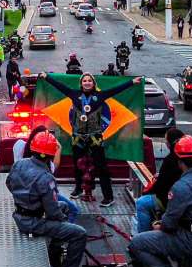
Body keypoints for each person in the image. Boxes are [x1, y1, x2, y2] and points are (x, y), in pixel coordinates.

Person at [38, 72, 143, 207]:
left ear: (94, 83)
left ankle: (108, 196)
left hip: (95, 137)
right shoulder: (74, 94)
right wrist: (46, 77)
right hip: (78, 137)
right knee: (77, 164)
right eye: (84, 81)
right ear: (81, 83)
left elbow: (116, 90)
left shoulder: (100, 96)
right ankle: (78, 189)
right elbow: (60, 86)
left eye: (89, 81)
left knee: (102, 167)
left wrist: (132, 82)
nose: (87, 83)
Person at [128, 136, 192, 267]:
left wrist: (159, 225)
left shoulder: (180, 187)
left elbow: (169, 224)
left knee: (137, 243)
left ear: (179, 161)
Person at [6, 132, 87, 267]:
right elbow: (53, 213)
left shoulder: (19, 164)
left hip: (21, 215)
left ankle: (54, 251)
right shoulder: (45, 178)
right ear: (49, 155)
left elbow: (9, 184)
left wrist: (26, 200)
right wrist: (64, 223)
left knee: (65, 207)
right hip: (33, 223)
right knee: (79, 233)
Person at [12, 126, 79, 224]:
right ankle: (63, 232)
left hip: (25, 194)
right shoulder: (45, 167)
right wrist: (58, 149)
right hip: (41, 194)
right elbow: (53, 171)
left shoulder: (19, 148)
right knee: (73, 210)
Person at [135, 128, 185, 234]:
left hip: (170, 200)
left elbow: (160, 186)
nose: (165, 143)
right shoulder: (186, 159)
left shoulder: (171, 159)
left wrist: (146, 192)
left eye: (166, 141)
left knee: (141, 202)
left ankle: (143, 236)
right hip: (179, 200)